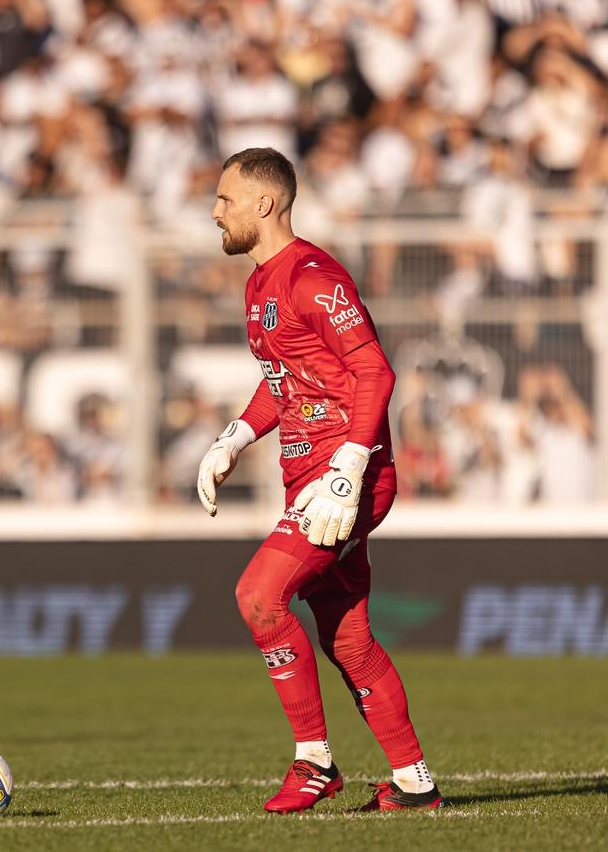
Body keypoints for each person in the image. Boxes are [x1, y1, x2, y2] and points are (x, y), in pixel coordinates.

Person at [196, 148, 440, 813]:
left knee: (258, 596)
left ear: (264, 204)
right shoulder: (258, 286)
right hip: (311, 479)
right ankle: (416, 784)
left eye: (225, 199)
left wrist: (348, 468)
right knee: (349, 640)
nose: (214, 211)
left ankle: (314, 762)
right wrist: (235, 438)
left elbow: (377, 373)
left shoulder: (312, 277)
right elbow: (287, 382)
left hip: (343, 482)